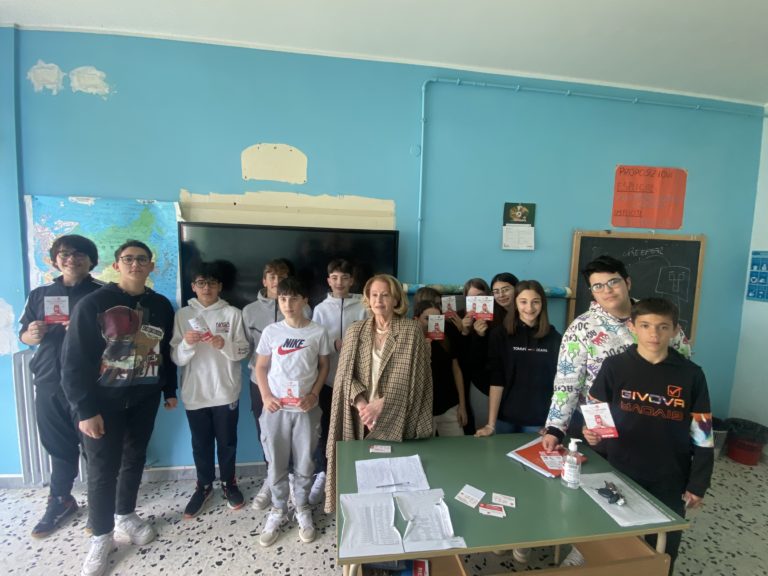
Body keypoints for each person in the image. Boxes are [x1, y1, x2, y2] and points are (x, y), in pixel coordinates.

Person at [61, 240, 177, 576]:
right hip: (102, 403)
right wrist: (85, 410)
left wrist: (169, 390)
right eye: (128, 259)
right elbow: (73, 362)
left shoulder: (161, 305)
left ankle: (125, 514)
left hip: (144, 398)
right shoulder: (92, 304)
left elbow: (165, 352)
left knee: (135, 458)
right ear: (116, 265)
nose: (135, 264)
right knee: (102, 469)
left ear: (151, 266)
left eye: (142, 259)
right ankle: (101, 535)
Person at [583, 298, 714, 571]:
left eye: (662, 327)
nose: (654, 334)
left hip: (669, 475)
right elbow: (595, 411)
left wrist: (698, 483)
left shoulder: (691, 375)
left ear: (675, 330)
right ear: (632, 327)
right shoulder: (615, 366)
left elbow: (703, 435)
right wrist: (592, 434)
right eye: (645, 325)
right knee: (612, 543)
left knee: (662, 551)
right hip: (618, 468)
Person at [542, 255, 691, 452]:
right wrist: (555, 428)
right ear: (592, 292)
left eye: (613, 282)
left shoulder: (655, 315)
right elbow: (567, 382)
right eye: (598, 286)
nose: (607, 290)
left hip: (655, 420)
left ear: (627, 282)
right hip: (601, 429)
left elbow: (684, 365)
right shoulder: (581, 328)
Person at [324, 274, 433, 513]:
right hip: (361, 418)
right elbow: (344, 375)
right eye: (374, 295)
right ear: (367, 298)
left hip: (398, 416)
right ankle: (365, 514)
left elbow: (415, 377)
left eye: (385, 295)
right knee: (363, 474)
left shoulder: (411, 330)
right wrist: (363, 404)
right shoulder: (356, 330)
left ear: (396, 299)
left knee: (396, 478)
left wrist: (383, 404)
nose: (379, 300)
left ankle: (398, 515)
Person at [19, 234, 102, 538]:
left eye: (80, 254)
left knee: (96, 446)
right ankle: (60, 499)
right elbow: (24, 336)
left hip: (92, 383)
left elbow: (117, 338)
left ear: (92, 261)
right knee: (58, 445)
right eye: (65, 254)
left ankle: (101, 504)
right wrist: (31, 334)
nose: (72, 259)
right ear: (55, 260)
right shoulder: (40, 294)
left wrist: (87, 329)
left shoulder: (102, 293)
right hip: (50, 381)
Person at [253, 277, 331, 547]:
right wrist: (266, 396)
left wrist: (314, 394)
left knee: (305, 463)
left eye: (294, 298)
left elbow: (324, 366)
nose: (288, 304)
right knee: (276, 462)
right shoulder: (272, 331)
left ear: (305, 300)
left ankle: (302, 507)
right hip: (276, 409)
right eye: (283, 299)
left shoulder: (318, 332)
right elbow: (260, 367)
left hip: (305, 409)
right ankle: (278, 509)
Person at [171, 262, 250, 518]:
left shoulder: (232, 314)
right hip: (195, 392)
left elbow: (243, 350)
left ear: (220, 287)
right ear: (193, 287)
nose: (207, 288)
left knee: (227, 442)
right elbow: (176, 357)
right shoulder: (183, 315)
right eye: (201, 283)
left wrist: (223, 344)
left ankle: (229, 483)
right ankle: (203, 486)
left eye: (212, 283)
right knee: (200, 443)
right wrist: (187, 343)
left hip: (225, 390)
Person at [242, 259, 311, 510]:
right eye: (271, 276)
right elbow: (246, 348)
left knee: (297, 435)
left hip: (294, 386)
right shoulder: (249, 311)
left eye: (282, 276)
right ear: (264, 280)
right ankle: (271, 480)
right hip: (261, 383)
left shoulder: (304, 309)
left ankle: (292, 479)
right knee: (267, 434)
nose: (276, 281)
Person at [310, 259, 368, 506]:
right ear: (328, 281)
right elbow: (314, 342)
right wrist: (332, 345)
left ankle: (357, 471)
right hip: (328, 380)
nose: (339, 282)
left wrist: (354, 345)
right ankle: (324, 472)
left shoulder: (363, 306)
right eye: (334, 278)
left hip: (357, 380)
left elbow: (371, 336)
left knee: (357, 426)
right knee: (326, 428)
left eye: (344, 277)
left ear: (352, 281)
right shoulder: (320, 309)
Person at [476, 280, 561, 437]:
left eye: (535, 302)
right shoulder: (499, 335)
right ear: (515, 303)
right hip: (504, 418)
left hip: (538, 421)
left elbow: (559, 383)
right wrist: (491, 424)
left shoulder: (554, 338)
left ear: (542, 304)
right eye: (523, 302)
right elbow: (497, 380)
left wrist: (553, 423)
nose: (529, 308)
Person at [414, 300, 466, 437]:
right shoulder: (410, 342)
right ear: (416, 319)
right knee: (424, 447)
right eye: (427, 318)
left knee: (458, 445)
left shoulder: (446, 338)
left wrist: (462, 405)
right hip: (422, 410)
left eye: (437, 318)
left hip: (449, 405)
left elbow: (456, 371)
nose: (432, 323)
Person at [458, 278, 492, 434]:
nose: (476, 302)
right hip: (466, 379)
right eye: (471, 298)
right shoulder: (460, 316)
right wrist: (464, 332)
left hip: (488, 379)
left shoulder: (494, 318)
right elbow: (459, 358)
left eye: (480, 297)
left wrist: (481, 336)